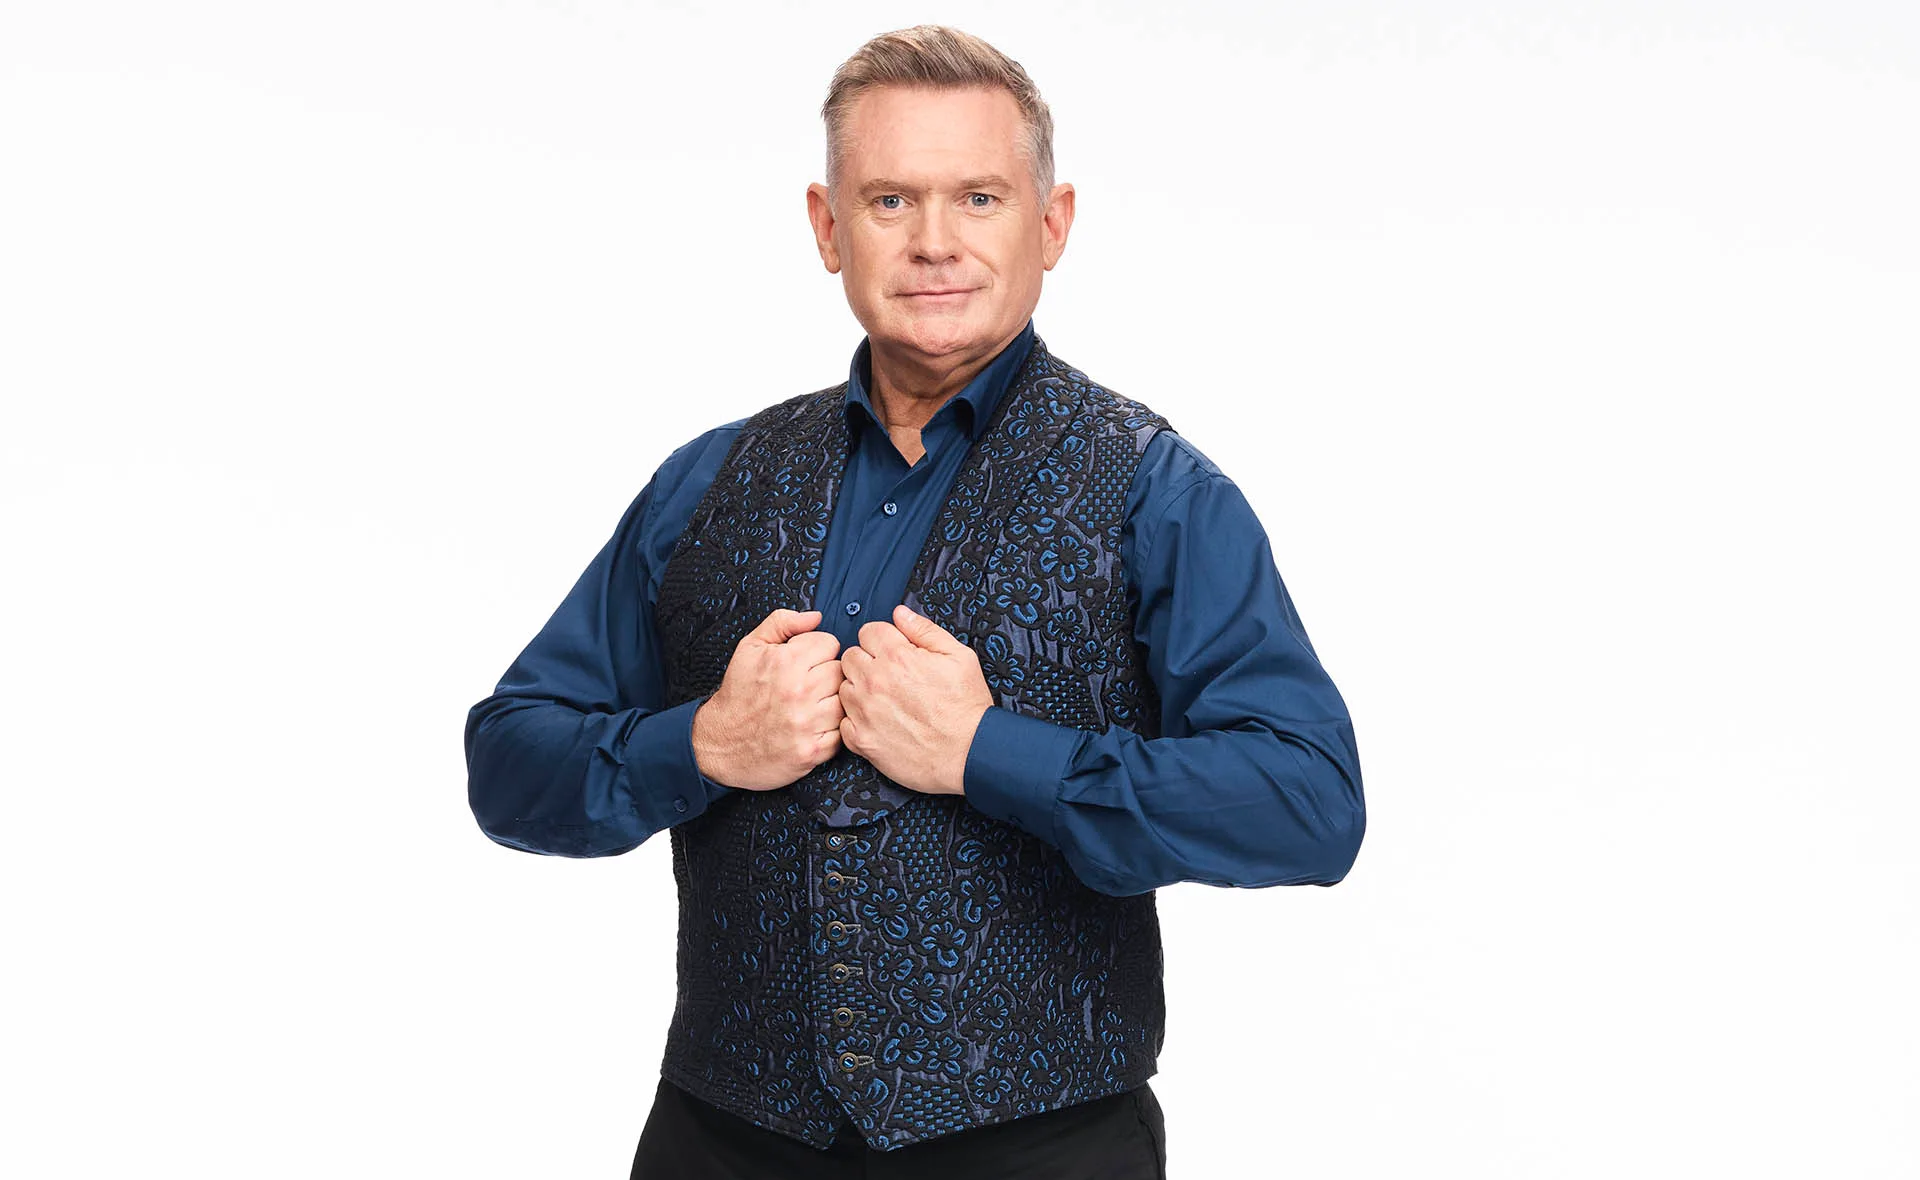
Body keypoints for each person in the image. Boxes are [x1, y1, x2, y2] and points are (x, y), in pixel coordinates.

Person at [464, 24, 1365, 1179]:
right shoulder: (708, 483)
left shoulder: (1158, 494)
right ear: (827, 227)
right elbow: (509, 759)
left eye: (978, 197)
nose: (935, 242)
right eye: (890, 200)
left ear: (1053, 223)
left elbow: (1308, 797)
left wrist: (994, 750)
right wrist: (698, 741)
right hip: (722, 1140)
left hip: (1040, 1148)